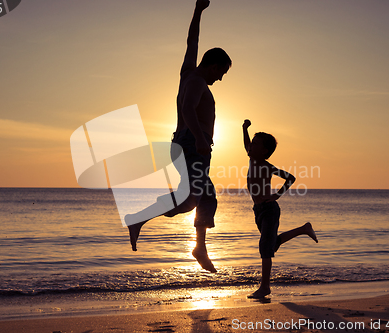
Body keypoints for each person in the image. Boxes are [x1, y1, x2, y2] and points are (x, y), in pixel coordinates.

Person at [126, 0, 231, 273]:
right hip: (189, 144)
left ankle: (193, 244)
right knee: (198, 197)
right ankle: (146, 223)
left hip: (187, 144)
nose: (220, 78)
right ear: (214, 65)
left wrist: (198, 11)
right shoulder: (196, 80)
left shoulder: (188, 73)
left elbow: (191, 40)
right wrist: (198, 138)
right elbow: (187, 108)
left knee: (197, 198)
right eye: (221, 72)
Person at [242, 119, 318, 298]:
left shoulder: (267, 167)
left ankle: (265, 287)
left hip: (269, 210)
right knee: (272, 244)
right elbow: (246, 144)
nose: (250, 147)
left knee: (265, 248)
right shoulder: (252, 159)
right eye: (251, 144)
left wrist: (277, 195)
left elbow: (290, 178)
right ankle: (304, 229)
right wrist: (244, 129)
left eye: (255, 144)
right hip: (258, 211)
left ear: (264, 151)